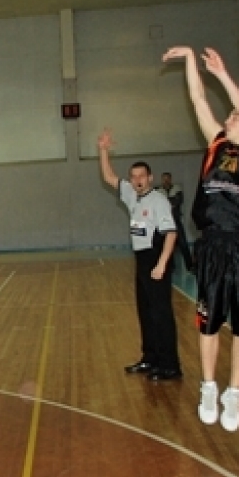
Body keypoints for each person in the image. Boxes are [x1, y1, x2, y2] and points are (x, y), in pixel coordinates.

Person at [164, 46, 239, 432]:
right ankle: (209, 386)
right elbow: (197, 99)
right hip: (212, 245)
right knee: (209, 323)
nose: (228, 117)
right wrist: (192, 64)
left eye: (235, 115)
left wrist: (224, 75)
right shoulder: (216, 143)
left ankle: (233, 392)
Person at [98, 133, 181, 382]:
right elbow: (109, 177)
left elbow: (171, 233)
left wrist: (162, 264)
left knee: (161, 313)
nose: (137, 180)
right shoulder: (132, 195)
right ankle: (150, 358)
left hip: (157, 259)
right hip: (142, 260)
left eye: (141, 176)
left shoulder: (159, 201)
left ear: (150, 178)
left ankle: (170, 365)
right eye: (133, 177)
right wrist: (103, 150)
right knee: (146, 312)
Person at [157, 172, 195, 272]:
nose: (166, 181)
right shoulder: (158, 190)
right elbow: (158, 204)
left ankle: (190, 266)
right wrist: (169, 202)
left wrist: (166, 202)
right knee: (166, 245)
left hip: (176, 221)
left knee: (183, 244)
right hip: (164, 222)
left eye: (167, 179)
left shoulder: (177, 189)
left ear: (170, 179)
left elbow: (178, 201)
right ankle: (170, 266)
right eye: (164, 179)